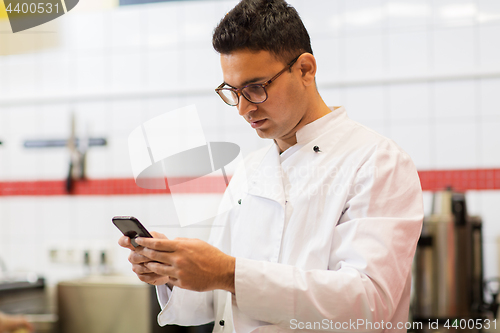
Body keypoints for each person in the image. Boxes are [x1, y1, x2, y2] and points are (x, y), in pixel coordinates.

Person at [118, 0, 424, 332]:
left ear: (305, 69)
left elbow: (369, 304)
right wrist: (174, 271)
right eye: (233, 92)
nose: (243, 109)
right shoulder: (251, 170)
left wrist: (227, 272)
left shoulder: (377, 162)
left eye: (255, 88)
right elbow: (221, 300)